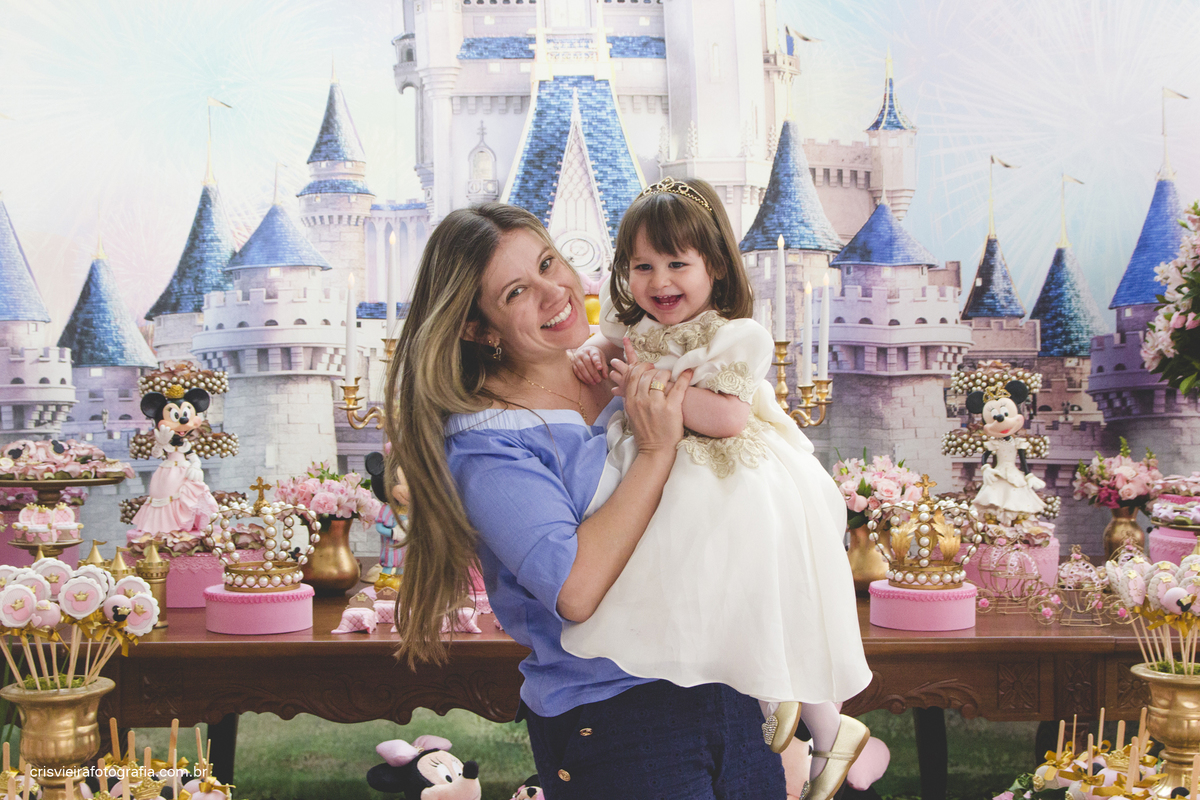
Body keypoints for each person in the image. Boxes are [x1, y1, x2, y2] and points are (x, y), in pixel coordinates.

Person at [384, 202, 787, 798]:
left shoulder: (623, 363)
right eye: (517, 291)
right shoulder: (487, 443)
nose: (555, 293)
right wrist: (655, 451)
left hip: (725, 685)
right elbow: (574, 591)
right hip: (619, 713)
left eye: (549, 263)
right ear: (476, 328)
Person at [566, 177, 872, 800]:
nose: (659, 281)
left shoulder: (733, 335)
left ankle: (805, 709)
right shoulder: (634, 325)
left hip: (725, 465)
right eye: (643, 267)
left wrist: (647, 388)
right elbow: (606, 344)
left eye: (677, 264)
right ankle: (782, 700)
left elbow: (729, 417)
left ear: (715, 266)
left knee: (747, 566)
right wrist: (590, 356)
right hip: (659, 462)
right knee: (691, 573)